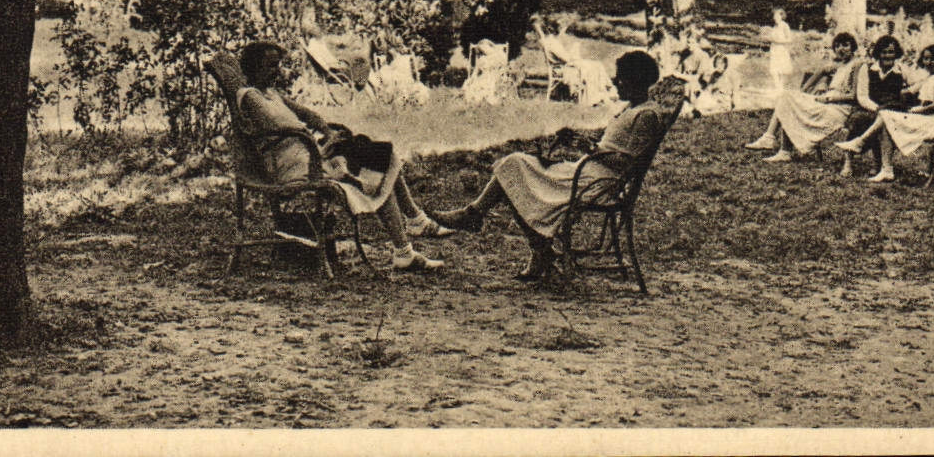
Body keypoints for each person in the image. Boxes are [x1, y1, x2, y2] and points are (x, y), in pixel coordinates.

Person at [431, 50, 667, 282]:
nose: (615, 82)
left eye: (620, 77)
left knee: (514, 166)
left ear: (635, 80)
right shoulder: (631, 109)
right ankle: (499, 228)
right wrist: (579, 139)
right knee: (513, 167)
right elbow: (614, 148)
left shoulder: (646, 115)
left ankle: (489, 223)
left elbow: (625, 162)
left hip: (597, 181)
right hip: (588, 171)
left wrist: (589, 148)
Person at [236, 41, 449, 271]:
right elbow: (284, 125)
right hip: (293, 164)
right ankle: (409, 239)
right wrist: (324, 146)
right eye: (271, 66)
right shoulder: (250, 97)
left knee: (378, 157)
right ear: (254, 67)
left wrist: (326, 131)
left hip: (308, 155)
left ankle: (412, 231)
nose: (277, 71)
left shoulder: (272, 94)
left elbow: (307, 115)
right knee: (374, 168)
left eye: (277, 65)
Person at [835, 44, 934, 182]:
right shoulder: (929, 78)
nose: (929, 62)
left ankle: (860, 143)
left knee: (886, 115)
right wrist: (904, 93)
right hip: (926, 117)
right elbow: (912, 89)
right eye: (926, 59)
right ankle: (886, 169)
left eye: (933, 59)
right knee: (886, 116)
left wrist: (914, 110)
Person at [744, 32, 866, 162]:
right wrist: (814, 81)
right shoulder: (840, 66)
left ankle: (778, 146)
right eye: (838, 46)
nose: (841, 49)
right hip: (825, 102)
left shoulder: (857, 65)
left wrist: (829, 99)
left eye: (846, 45)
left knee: (790, 100)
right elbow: (813, 79)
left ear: (853, 47)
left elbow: (854, 95)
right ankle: (774, 143)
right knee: (787, 96)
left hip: (837, 109)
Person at [839, 35, 910, 177]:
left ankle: (879, 163)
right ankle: (848, 161)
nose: (887, 56)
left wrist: (906, 93)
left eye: (891, 52)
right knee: (860, 119)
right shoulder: (868, 69)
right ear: (878, 53)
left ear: (896, 53)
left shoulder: (902, 70)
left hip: (891, 110)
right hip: (870, 107)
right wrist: (877, 109)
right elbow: (862, 96)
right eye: (884, 52)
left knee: (885, 123)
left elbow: (916, 85)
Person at [766, 7, 795, 94]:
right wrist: (770, 39)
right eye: (774, 16)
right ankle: (777, 87)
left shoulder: (785, 26)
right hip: (774, 49)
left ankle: (780, 88)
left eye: (777, 16)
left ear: (781, 16)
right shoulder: (775, 26)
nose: (775, 17)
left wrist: (779, 41)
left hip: (782, 49)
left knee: (782, 69)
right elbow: (772, 37)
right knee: (774, 69)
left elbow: (789, 39)